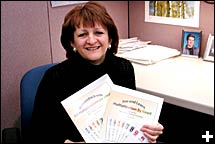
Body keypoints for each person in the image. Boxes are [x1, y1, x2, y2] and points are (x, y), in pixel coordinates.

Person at [27, 1, 163, 143]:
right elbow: (37, 134)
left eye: (98, 32)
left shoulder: (123, 68)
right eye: (82, 35)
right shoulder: (55, 77)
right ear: (72, 42)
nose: (91, 40)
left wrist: (147, 130)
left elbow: (130, 117)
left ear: (110, 38)